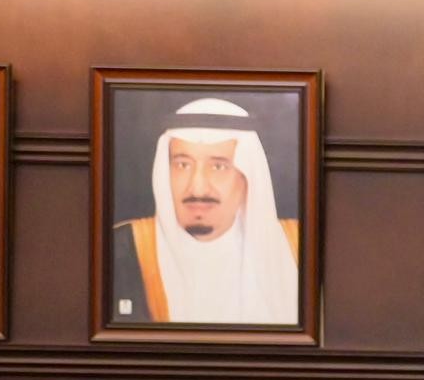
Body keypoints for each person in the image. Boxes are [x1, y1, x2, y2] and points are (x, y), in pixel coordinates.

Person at [108, 98, 301, 326]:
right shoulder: (121, 249)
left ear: (247, 176)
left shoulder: (298, 246)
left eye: (218, 166)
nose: (197, 188)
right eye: (183, 165)